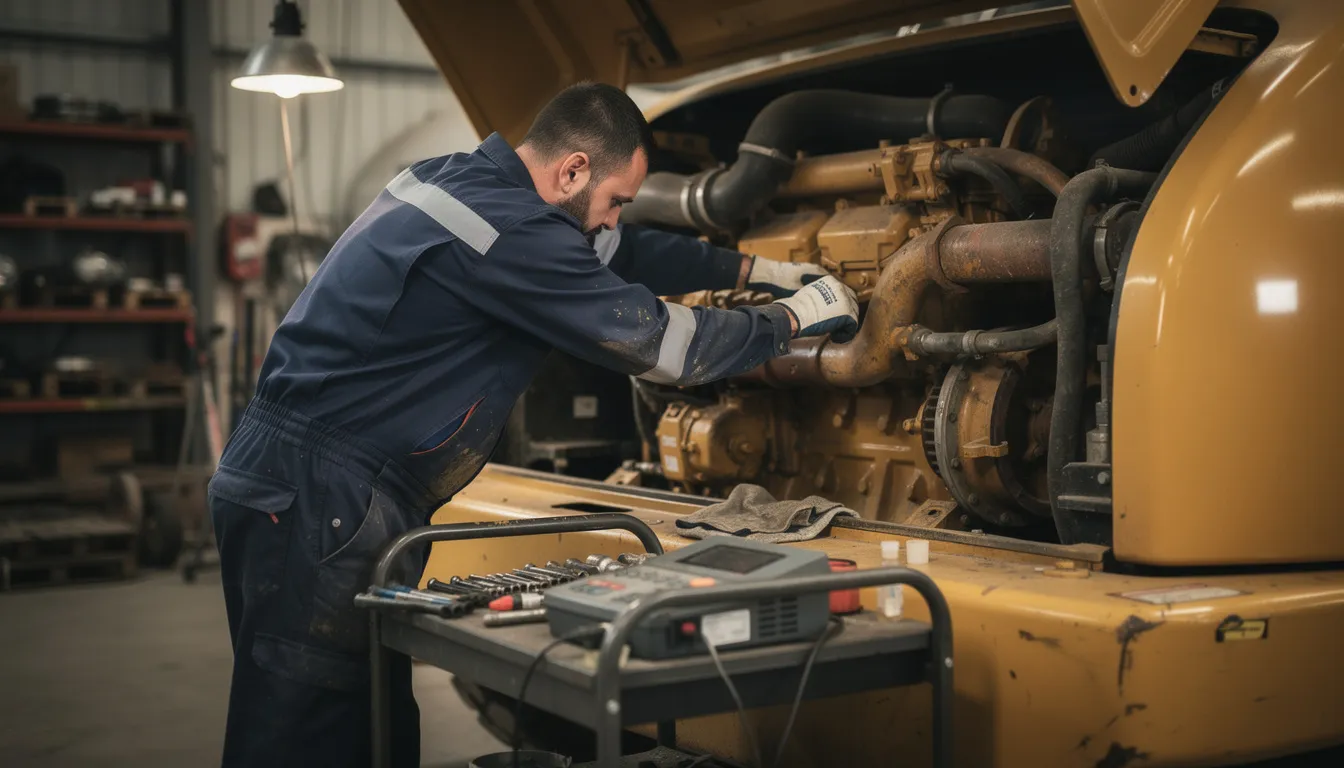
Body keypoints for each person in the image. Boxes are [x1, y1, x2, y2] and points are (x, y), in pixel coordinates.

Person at [208, 81, 859, 767]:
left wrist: (759, 268)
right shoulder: (511, 233)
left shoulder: (460, 186)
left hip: (298, 481)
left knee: (363, 718)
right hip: (322, 496)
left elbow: (624, 253)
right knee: (310, 732)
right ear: (572, 170)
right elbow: (661, 347)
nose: (611, 222)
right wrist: (791, 319)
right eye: (613, 201)